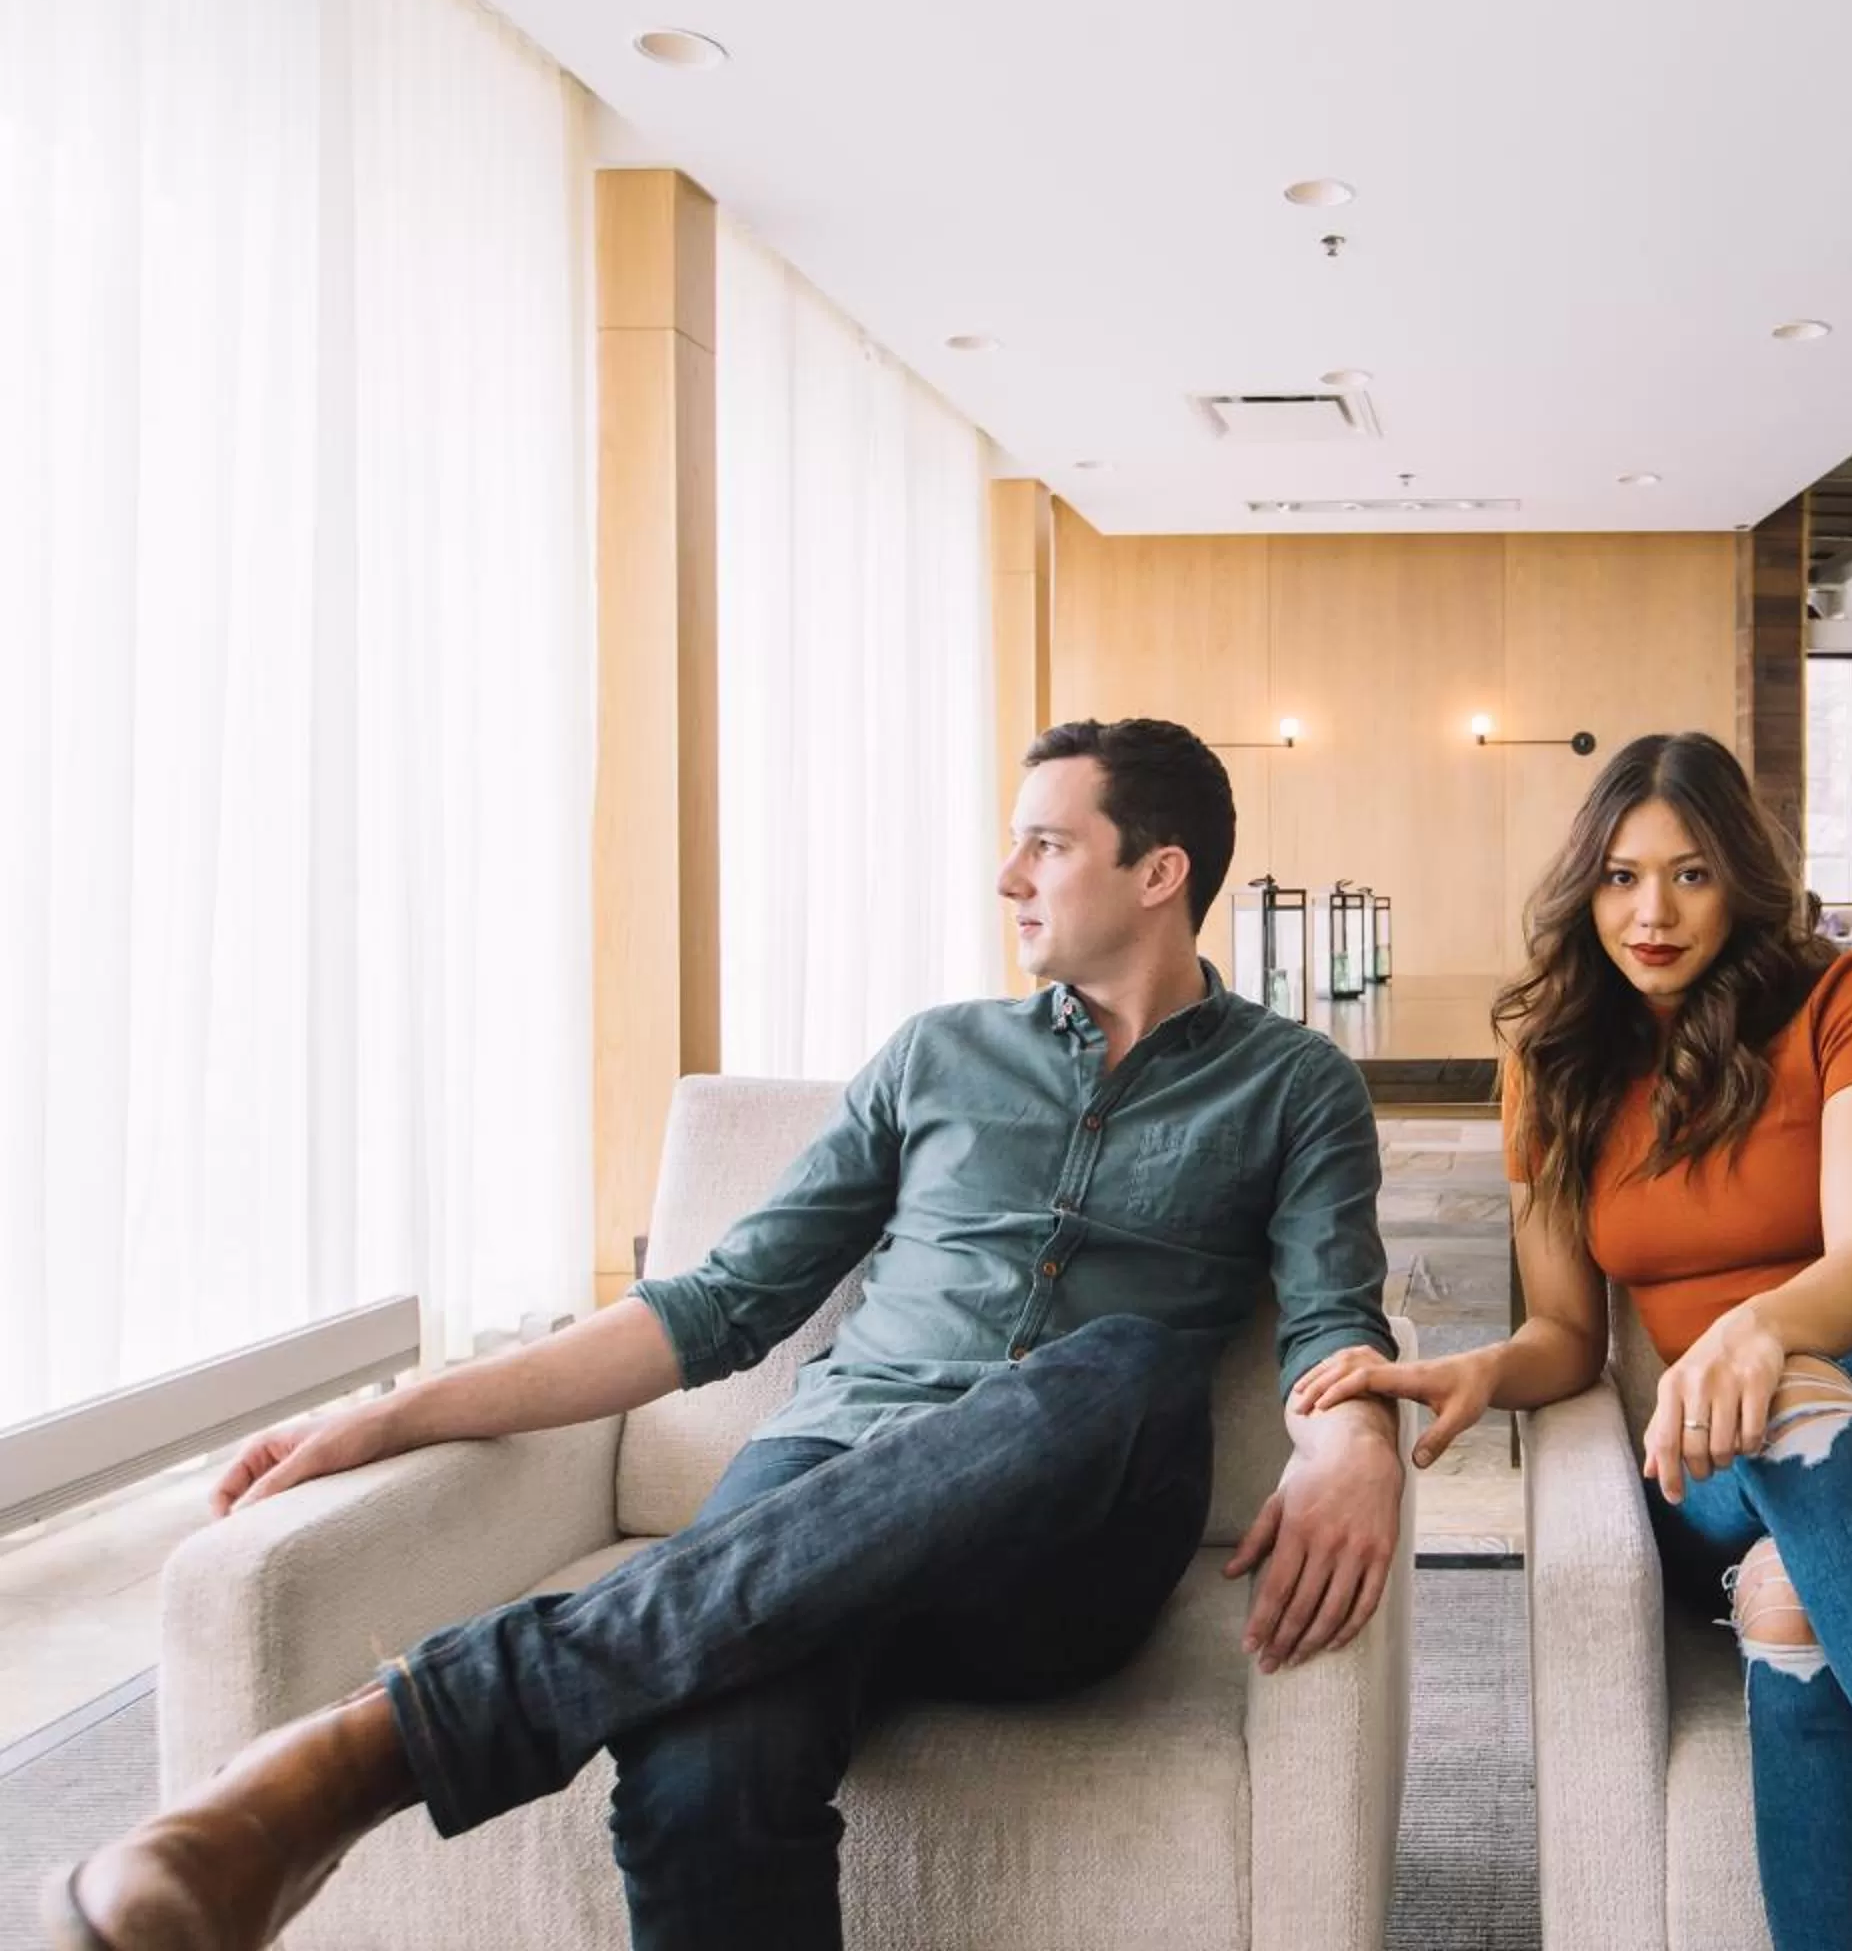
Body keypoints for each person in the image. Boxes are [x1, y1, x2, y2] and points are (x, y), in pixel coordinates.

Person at [50, 719, 1406, 1951]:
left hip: (1065, 1542)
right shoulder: (933, 1057)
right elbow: (718, 1304)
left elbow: (1332, 1319)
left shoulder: (1293, 1087)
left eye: (1046, 844)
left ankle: (372, 1752)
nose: (1008, 878)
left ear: (1158, 872)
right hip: (821, 1480)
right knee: (698, 1778)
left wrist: (1357, 1437)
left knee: (1114, 1365)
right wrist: (400, 1411)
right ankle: (399, 1741)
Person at [1297, 732, 1852, 1951]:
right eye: (1622, 875)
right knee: (1785, 1423)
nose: (1652, 912)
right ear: (1584, 885)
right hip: (1722, 1445)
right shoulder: (1554, 1061)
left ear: (1741, 877)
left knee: (1792, 1593)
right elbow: (1567, 1336)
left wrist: (1755, 1328)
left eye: (1690, 874)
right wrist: (1486, 1369)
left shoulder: (1849, 999)